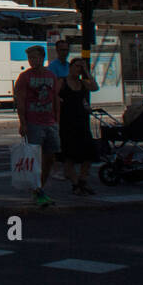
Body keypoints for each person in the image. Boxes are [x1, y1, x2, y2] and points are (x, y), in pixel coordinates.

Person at [14, 44, 61, 206]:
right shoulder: (24, 77)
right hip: (33, 121)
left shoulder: (51, 76)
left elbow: (55, 98)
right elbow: (20, 100)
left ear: (42, 57)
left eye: (35, 57)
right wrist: (23, 122)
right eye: (30, 58)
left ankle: (41, 187)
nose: (32, 61)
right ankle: (37, 190)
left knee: (50, 157)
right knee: (34, 158)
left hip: (50, 121)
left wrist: (57, 120)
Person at [60, 54, 100, 195]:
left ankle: (82, 181)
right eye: (77, 66)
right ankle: (76, 183)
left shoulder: (83, 83)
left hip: (82, 122)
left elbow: (95, 87)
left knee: (88, 154)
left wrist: (86, 72)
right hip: (66, 123)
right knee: (69, 155)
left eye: (81, 67)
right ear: (70, 67)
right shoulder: (62, 82)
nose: (79, 69)